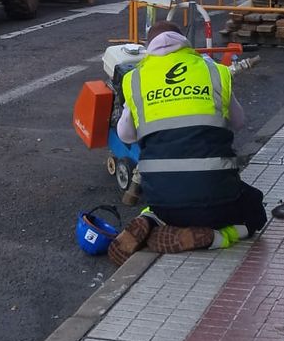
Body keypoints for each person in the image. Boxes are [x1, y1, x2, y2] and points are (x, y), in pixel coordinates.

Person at [106, 22, 265, 265]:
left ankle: (151, 219)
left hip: (163, 201)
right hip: (217, 199)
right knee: (255, 211)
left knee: (166, 200)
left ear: (149, 47)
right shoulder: (212, 71)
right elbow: (239, 122)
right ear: (184, 43)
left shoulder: (135, 79)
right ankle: (217, 237)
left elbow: (126, 135)